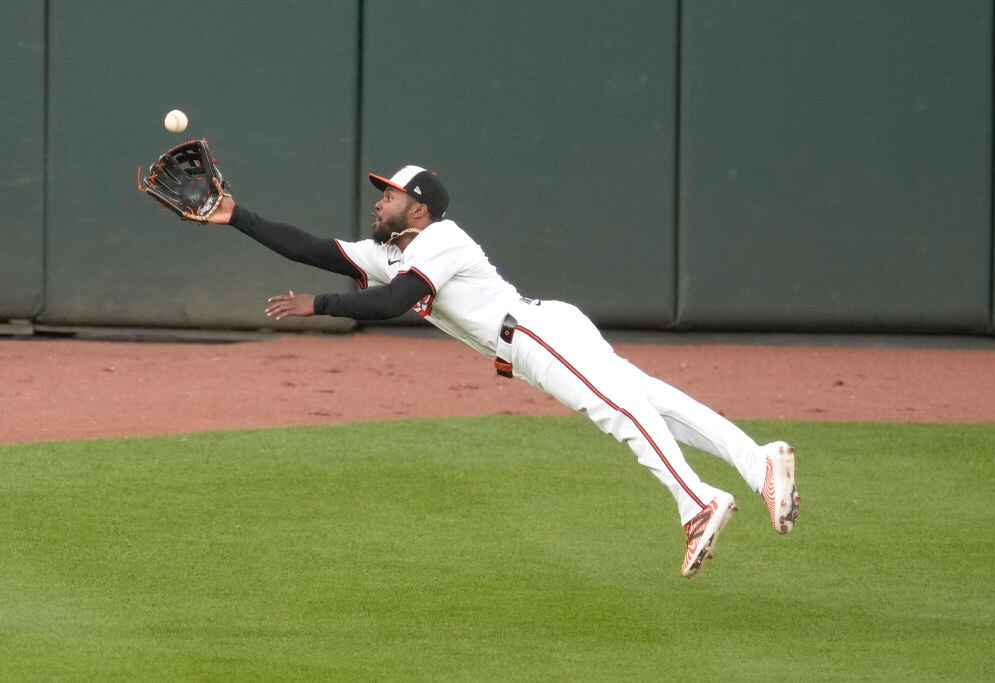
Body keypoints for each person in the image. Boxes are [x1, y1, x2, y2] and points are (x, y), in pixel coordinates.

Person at [201, 164, 800, 578]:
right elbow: (308, 247)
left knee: (622, 412)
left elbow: (390, 304)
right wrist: (235, 216)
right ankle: (759, 461)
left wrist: (319, 305)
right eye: (381, 191)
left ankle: (696, 500)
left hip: (537, 335)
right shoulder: (389, 252)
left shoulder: (442, 239)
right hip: (537, 339)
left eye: (389, 193)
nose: (379, 199)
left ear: (420, 207)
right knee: (652, 402)